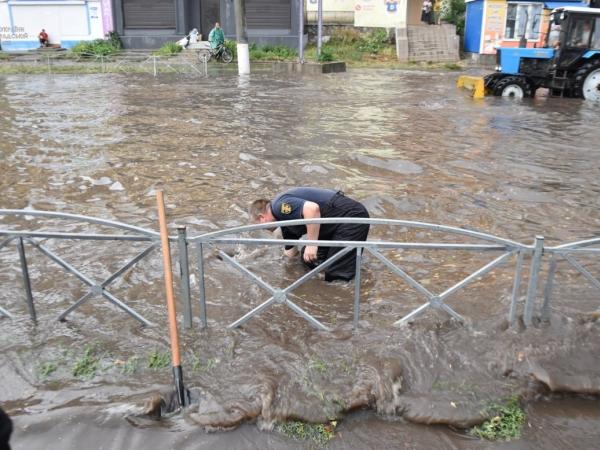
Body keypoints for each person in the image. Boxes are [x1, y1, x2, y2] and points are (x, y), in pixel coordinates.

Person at [249, 188, 370, 282]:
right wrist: (279, 269)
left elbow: (312, 209)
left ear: (261, 217)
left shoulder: (279, 206)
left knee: (336, 274)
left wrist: (312, 244)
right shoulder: (284, 222)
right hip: (333, 225)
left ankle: (348, 296)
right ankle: (349, 270)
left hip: (351, 217)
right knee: (308, 259)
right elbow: (290, 253)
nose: (264, 230)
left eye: (259, 225)